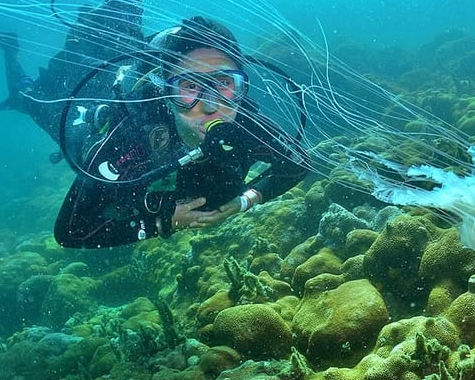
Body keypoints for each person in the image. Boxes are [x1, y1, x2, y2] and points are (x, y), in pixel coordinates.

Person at [53, 16, 310, 248]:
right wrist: (160, 225)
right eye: (189, 86)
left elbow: (297, 162)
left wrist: (246, 200)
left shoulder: (245, 123)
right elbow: (71, 231)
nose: (211, 106)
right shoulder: (136, 135)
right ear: (166, 93)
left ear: (241, 86)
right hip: (91, 141)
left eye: (223, 83)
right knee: (62, 127)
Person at [0, 0, 145, 145]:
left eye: (135, 13)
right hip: (62, 91)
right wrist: (114, 69)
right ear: (110, 7)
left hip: (100, 96)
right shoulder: (86, 26)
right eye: (122, 11)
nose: (129, 18)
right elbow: (78, 62)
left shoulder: (134, 34)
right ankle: (10, 48)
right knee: (24, 98)